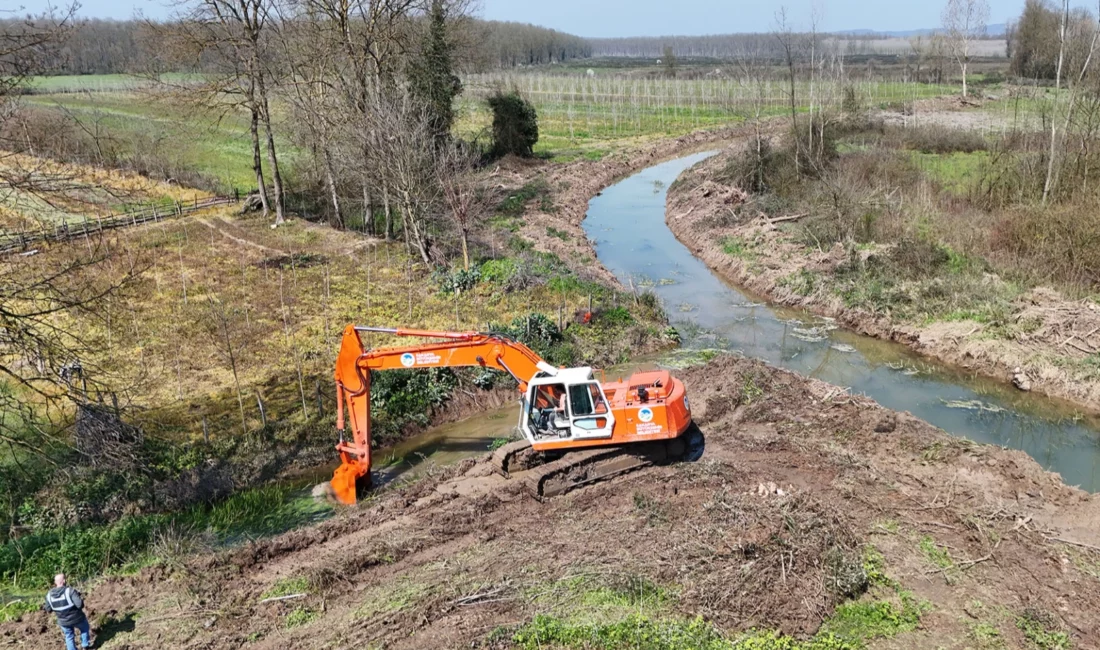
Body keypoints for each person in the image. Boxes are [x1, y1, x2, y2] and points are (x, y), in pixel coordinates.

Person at [43, 574, 94, 650]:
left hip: (63, 621)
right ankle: (85, 645)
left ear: (55, 582)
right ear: (64, 581)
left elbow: (48, 609)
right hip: (77, 618)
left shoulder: (49, 595)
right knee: (84, 628)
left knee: (69, 636)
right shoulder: (70, 591)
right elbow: (80, 605)